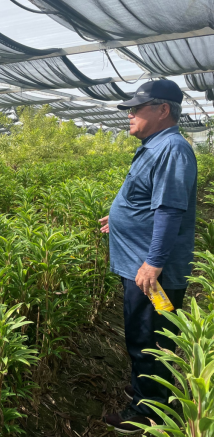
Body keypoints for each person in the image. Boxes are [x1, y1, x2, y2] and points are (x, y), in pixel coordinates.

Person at [99, 80, 196, 433]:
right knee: (152, 335)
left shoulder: (171, 148)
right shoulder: (158, 146)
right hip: (143, 268)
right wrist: (122, 215)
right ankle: (149, 388)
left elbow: (170, 210)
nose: (130, 114)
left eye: (137, 108)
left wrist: (153, 262)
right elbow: (151, 200)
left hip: (152, 275)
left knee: (149, 338)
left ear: (163, 109)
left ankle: (145, 414)